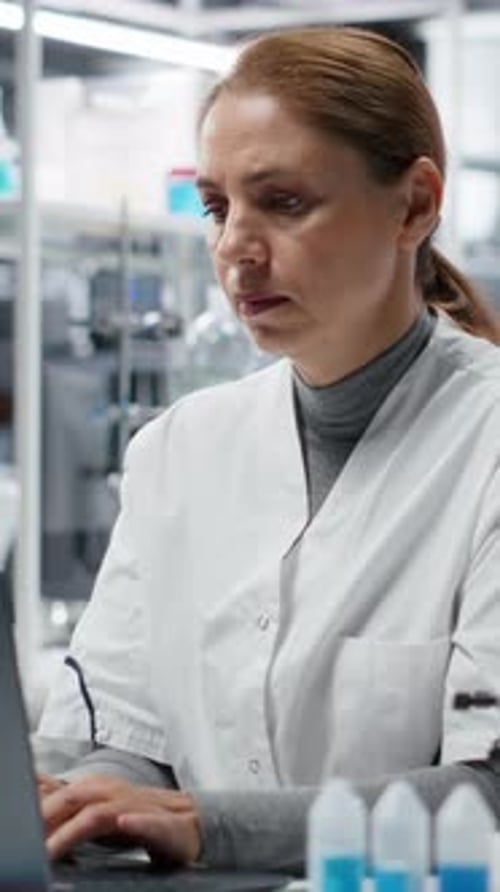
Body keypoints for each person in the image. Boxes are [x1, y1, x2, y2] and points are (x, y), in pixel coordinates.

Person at [36, 25, 500, 874]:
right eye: (219, 207)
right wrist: (85, 800)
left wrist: (210, 824)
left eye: (283, 202)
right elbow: (118, 736)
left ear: (416, 205)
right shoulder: (176, 451)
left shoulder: (488, 441)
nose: (234, 250)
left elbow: (490, 788)